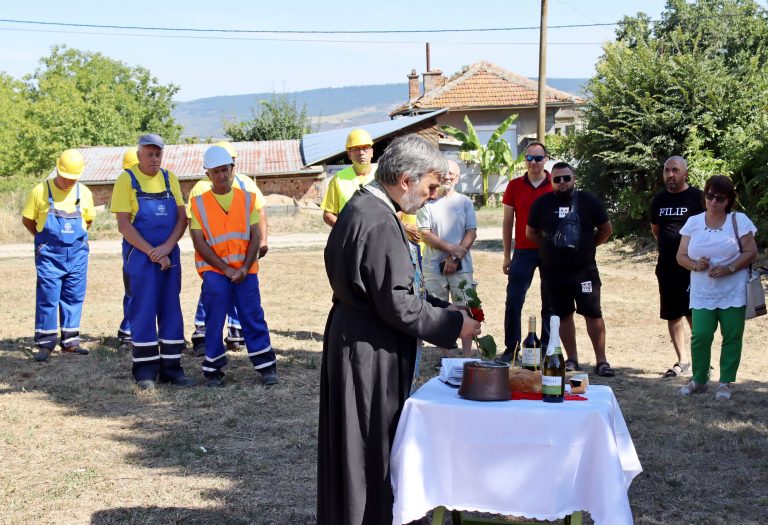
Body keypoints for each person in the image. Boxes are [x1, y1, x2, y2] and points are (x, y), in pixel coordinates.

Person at [317, 135, 481, 525]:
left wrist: (446, 306)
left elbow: (392, 289)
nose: (430, 196)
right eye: (428, 186)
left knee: (364, 442)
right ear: (405, 180)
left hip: (361, 338)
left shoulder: (368, 208)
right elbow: (398, 305)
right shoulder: (377, 220)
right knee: (368, 443)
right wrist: (456, 324)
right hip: (367, 351)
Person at [189, 146, 278, 387]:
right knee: (215, 319)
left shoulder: (246, 198)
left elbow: (255, 235)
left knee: (252, 315)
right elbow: (198, 241)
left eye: (224, 170)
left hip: (246, 270)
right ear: (207, 174)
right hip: (215, 272)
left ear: (232, 169)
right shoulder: (198, 203)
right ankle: (213, 369)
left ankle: (266, 366)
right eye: (215, 171)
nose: (221, 176)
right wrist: (226, 269)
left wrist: (245, 266)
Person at [110, 134, 194, 390]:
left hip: (169, 256)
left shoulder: (170, 178)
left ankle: (172, 368)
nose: (154, 159)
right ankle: (145, 370)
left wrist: (167, 247)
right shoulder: (127, 180)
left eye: (158, 154)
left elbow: (182, 219)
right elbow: (124, 225)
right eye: (149, 154)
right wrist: (152, 252)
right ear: (139, 155)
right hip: (141, 257)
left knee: (171, 309)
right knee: (143, 310)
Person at [526, 161, 615, 377]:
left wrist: (588, 245)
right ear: (552, 182)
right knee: (563, 315)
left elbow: (606, 229)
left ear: (574, 178)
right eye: (557, 179)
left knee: (593, 314)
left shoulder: (589, 201)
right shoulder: (541, 203)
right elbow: (531, 233)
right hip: (553, 272)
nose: (562, 182)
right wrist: (550, 247)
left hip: (584, 271)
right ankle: (572, 359)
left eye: (566, 178)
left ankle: (601, 361)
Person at [676, 175, 757, 401]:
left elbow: (751, 252)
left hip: (733, 289)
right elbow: (680, 256)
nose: (713, 201)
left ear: (729, 200)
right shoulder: (693, 222)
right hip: (703, 291)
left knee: (732, 336)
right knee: (700, 335)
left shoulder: (739, 220)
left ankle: (725, 383)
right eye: (709, 195)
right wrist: (696, 264)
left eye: (719, 198)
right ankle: (699, 380)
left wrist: (729, 268)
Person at [22, 149, 95, 362]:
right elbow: (28, 220)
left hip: (77, 255)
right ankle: (45, 343)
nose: (69, 182)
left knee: (74, 296)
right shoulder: (40, 191)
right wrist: (43, 240)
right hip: (49, 255)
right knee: (48, 297)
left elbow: (88, 221)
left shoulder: (85, 193)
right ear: (57, 169)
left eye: (74, 178)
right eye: (66, 177)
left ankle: (71, 341)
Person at [650, 156, 704, 378]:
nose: (670, 175)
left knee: (694, 314)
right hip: (666, 267)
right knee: (672, 313)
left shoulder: (698, 197)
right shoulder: (659, 200)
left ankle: (702, 361)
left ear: (685, 174)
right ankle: (683, 360)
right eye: (666, 171)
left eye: (675, 170)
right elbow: (656, 231)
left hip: (693, 268)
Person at [418, 159, 478, 358]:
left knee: (466, 308)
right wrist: (451, 249)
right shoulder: (427, 201)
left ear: (458, 177)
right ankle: (448, 357)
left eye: (452, 173)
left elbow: (471, 232)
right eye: (445, 173)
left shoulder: (465, 202)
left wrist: (455, 257)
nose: (448, 177)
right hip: (433, 266)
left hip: (462, 266)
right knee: (440, 312)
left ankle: (467, 357)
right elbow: (425, 234)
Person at [500, 141, 553, 362]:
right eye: (529, 158)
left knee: (550, 302)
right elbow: (507, 222)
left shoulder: (556, 182)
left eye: (538, 158)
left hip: (550, 252)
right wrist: (506, 255)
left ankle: (546, 349)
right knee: (513, 300)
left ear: (546, 159)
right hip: (522, 251)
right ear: (525, 161)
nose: (534, 163)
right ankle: (511, 348)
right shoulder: (514, 185)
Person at [321, 128, 376, 227]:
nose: (361, 153)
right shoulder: (338, 179)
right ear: (349, 154)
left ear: (371, 152)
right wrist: (346, 231)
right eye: (356, 149)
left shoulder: (382, 176)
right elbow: (328, 214)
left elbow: (397, 209)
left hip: (379, 235)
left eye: (365, 148)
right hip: (352, 239)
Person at [117, 147, 139, 353]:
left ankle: (139, 331)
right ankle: (128, 332)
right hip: (133, 247)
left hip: (150, 245)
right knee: (133, 289)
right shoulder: (124, 183)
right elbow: (124, 224)